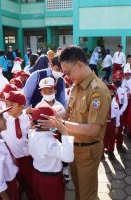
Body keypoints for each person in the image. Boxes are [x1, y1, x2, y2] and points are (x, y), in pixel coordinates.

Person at [38, 46, 111, 200]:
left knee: (87, 195)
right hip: (74, 147)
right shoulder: (76, 86)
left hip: (88, 150)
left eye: (68, 72)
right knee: (79, 191)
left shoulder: (98, 91)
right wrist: (51, 115)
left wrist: (59, 123)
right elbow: (69, 113)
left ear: (79, 64)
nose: (67, 77)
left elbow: (92, 130)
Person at [28, 106, 74, 200]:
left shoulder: (32, 133)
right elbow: (68, 157)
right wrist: (64, 132)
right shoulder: (50, 142)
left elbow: (35, 129)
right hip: (50, 180)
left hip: (36, 175)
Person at [2, 91, 34, 200]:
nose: (7, 107)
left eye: (11, 105)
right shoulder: (3, 120)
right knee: (17, 187)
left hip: (30, 159)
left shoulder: (29, 119)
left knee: (32, 186)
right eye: (6, 104)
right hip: (14, 160)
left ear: (21, 106)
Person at [103, 83, 120, 160]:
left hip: (112, 122)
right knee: (103, 138)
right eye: (108, 91)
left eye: (112, 91)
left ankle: (111, 151)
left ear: (114, 93)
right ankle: (102, 151)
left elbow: (118, 116)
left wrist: (117, 126)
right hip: (104, 123)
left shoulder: (116, 104)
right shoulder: (102, 103)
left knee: (112, 138)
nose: (110, 93)